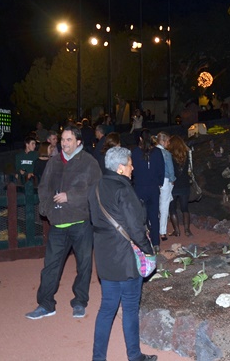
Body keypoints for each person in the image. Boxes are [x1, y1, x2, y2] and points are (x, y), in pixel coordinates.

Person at [88, 147, 158, 361]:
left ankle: (98, 357)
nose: (132, 167)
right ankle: (134, 356)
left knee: (106, 308)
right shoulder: (124, 190)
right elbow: (136, 228)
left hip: (105, 256)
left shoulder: (95, 187)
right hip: (126, 257)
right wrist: (149, 251)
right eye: (129, 163)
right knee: (130, 308)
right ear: (120, 168)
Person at [26, 124, 101, 320]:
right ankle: (45, 304)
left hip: (81, 222)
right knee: (50, 266)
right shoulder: (54, 161)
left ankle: (80, 301)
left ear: (78, 142)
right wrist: (46, 208)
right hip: (58, 223)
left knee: (84, 264)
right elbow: (44, 187)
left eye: (69, 140)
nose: (64, 143)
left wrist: (71, 197)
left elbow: (96, 190)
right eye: (62, 139)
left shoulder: (89, 162)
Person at [131, 129, 164, 251]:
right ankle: (156, 243)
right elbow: (161, 169)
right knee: (154, 216)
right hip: (153, 188)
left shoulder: (135, 152)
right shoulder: (157, 152)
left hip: (140, 187)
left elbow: (133, 170)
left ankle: (142, 243)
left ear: (140, 139)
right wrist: (159, 183)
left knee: (140, 217)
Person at [166, 135, 192, 237]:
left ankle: (176, 231)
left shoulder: (169, 156)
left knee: (172, 208)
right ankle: (187, 230)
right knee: (185, 208)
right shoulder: (186, 154)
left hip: (173, 185)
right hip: (185, 183)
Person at [154, 132, 175, 242]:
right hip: (165, 181)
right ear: (162, 141)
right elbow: (170, 169)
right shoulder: (166, 154)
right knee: (164, 206)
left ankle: (153, 228)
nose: (168, 144)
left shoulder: (151, 152)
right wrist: (173, 179)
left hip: (154, 181)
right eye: (167, 141)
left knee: (155, 205)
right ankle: (162, 231)